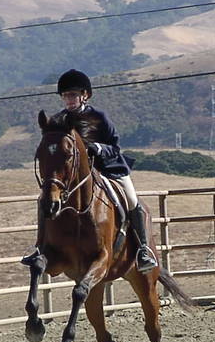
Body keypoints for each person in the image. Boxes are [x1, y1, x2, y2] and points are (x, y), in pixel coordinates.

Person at [23, 69, 158, 273]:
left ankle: (143, 250)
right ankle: (40, 247)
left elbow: (115, 147)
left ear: (84, 95)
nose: (69, 100)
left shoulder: (99, 117)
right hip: (76, 178)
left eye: (73, 95)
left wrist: (98, 148)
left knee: (132, 201)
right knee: (44, 200)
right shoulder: (58, 120)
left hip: (108, 169)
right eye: (65, 96)